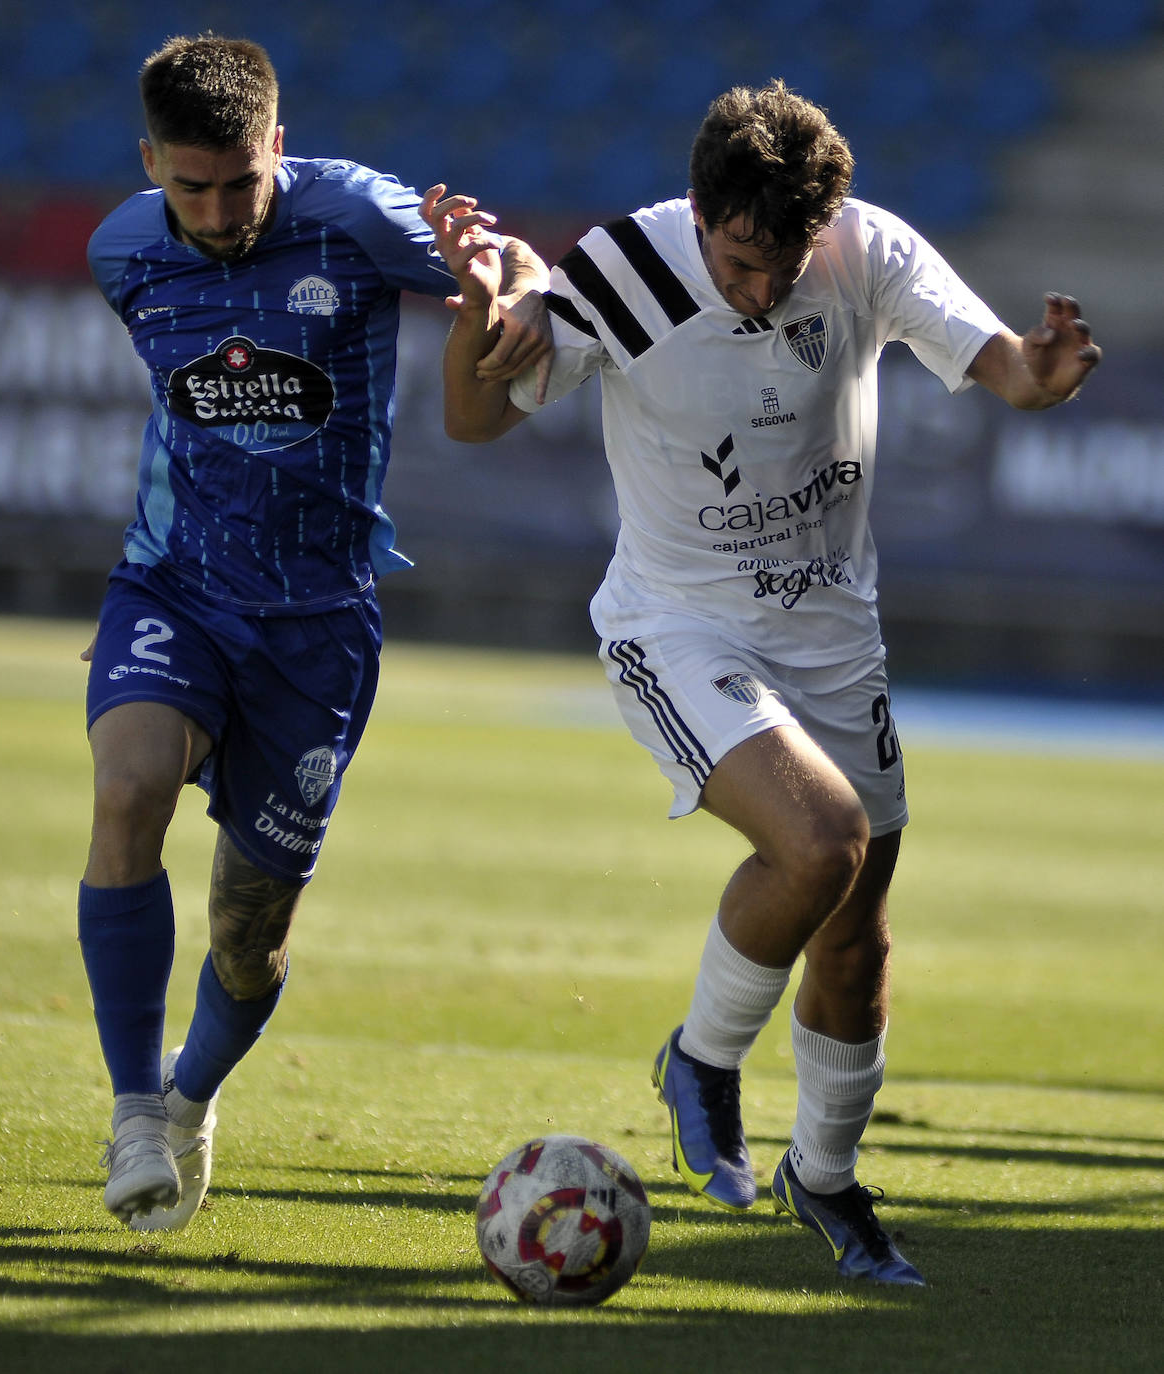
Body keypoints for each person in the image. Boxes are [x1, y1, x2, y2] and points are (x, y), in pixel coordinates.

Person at [422, 79, 1100, 1286]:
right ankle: (702, 1058)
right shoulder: (625, 268)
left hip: (836, 634)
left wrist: (1039, 374)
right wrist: (478, 324)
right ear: (700, 212)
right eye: (738, 260)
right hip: (676, 626)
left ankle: (827, 1183)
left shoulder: (866, 250)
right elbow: (474, 420)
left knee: (856, 944)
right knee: (821, 838)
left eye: (782, 262)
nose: (760, 286)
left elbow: (1000, 364)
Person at [79, 34, 550, 1230]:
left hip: (318, 630)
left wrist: (501, 286)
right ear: (150, 166)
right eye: (192, 186)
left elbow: (509, 265)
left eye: (243, 181)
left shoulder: (353, 217)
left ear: (276, 146)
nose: (222, 210)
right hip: (175, 590)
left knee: (249, 934)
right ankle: (135, 1111)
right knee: (128, 791)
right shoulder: (121, 251)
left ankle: (189, 1099)